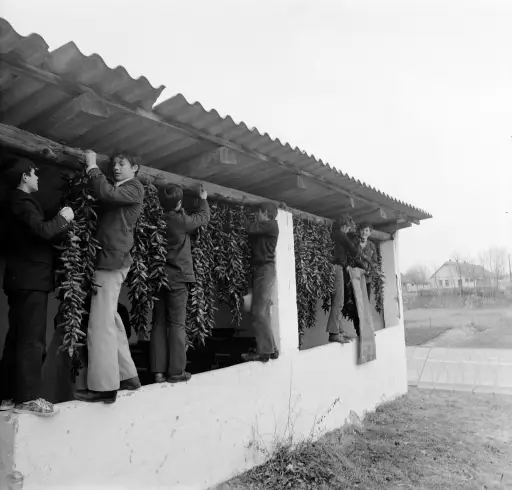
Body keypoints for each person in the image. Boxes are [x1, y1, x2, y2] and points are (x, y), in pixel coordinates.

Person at [0, 157, 74, 416]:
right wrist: (63, 219)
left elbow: (36, 232)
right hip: (30, 278)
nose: (37, 178)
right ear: (24, 177)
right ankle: (28, 398)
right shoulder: (21, 201)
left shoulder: (15, 203)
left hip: (21, 278)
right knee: (32, 340)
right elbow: (43, 230)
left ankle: (7, 396)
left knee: (16, 338)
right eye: (34, 174)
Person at [74, 150, 143, 404]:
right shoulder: (123, 188)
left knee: (100, 324)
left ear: (134, 168)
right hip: (111, 258)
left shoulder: (133, 188)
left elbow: (107, 194)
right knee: (110, 318)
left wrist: (92, 167)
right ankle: (127, 376)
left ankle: (104, 387)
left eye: (122, 164)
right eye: (113, 164)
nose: (116, 168)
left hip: (112, 260)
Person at [150, 184, 210, 383]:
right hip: (178, 278)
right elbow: (202, 218)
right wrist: (203, 200)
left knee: (159, 322)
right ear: (179, 203)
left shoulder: (157, 219)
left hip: (159, 277)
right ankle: (176, 372)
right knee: (177, 323)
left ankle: (158, 372)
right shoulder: (181, 220)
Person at [241, 202, 280, 363]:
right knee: (262, 311)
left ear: (265, 213)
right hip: (260, 269)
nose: (257, 215)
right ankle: (272, 349)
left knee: (258, 311)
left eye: (259, 212)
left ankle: (264, 352)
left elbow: (250, 228)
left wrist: (241, 215)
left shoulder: (271, 225)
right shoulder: (265, 228)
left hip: (265, 270)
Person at [326, 214, 366, 344]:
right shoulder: (340, 235)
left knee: (338, 300)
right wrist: (361, 244)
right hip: (337, 268)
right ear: (344, 226)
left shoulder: (334, 234)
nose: (348, 231)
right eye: (348, 228)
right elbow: (354, 252)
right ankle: (334, 333)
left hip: (335, 268)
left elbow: (340, 253)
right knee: (339, 300)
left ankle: (339, 331)